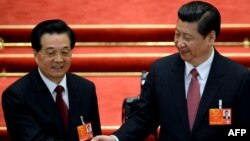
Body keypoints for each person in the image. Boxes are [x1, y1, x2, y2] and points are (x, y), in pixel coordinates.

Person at [91, 1, 250, 141]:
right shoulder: (161, 71)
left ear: (210, 38)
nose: (179, 43)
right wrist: (116, 138)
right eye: (177, 35)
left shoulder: (238, 78)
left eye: (187, 38)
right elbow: (144, 118)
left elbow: (243, 130)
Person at [2, 19, 102, 141]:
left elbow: (93, 135)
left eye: (65, 52)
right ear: (35, 54)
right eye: (51, 53)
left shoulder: (85, 88)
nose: (59, 59)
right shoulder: (17, 96)